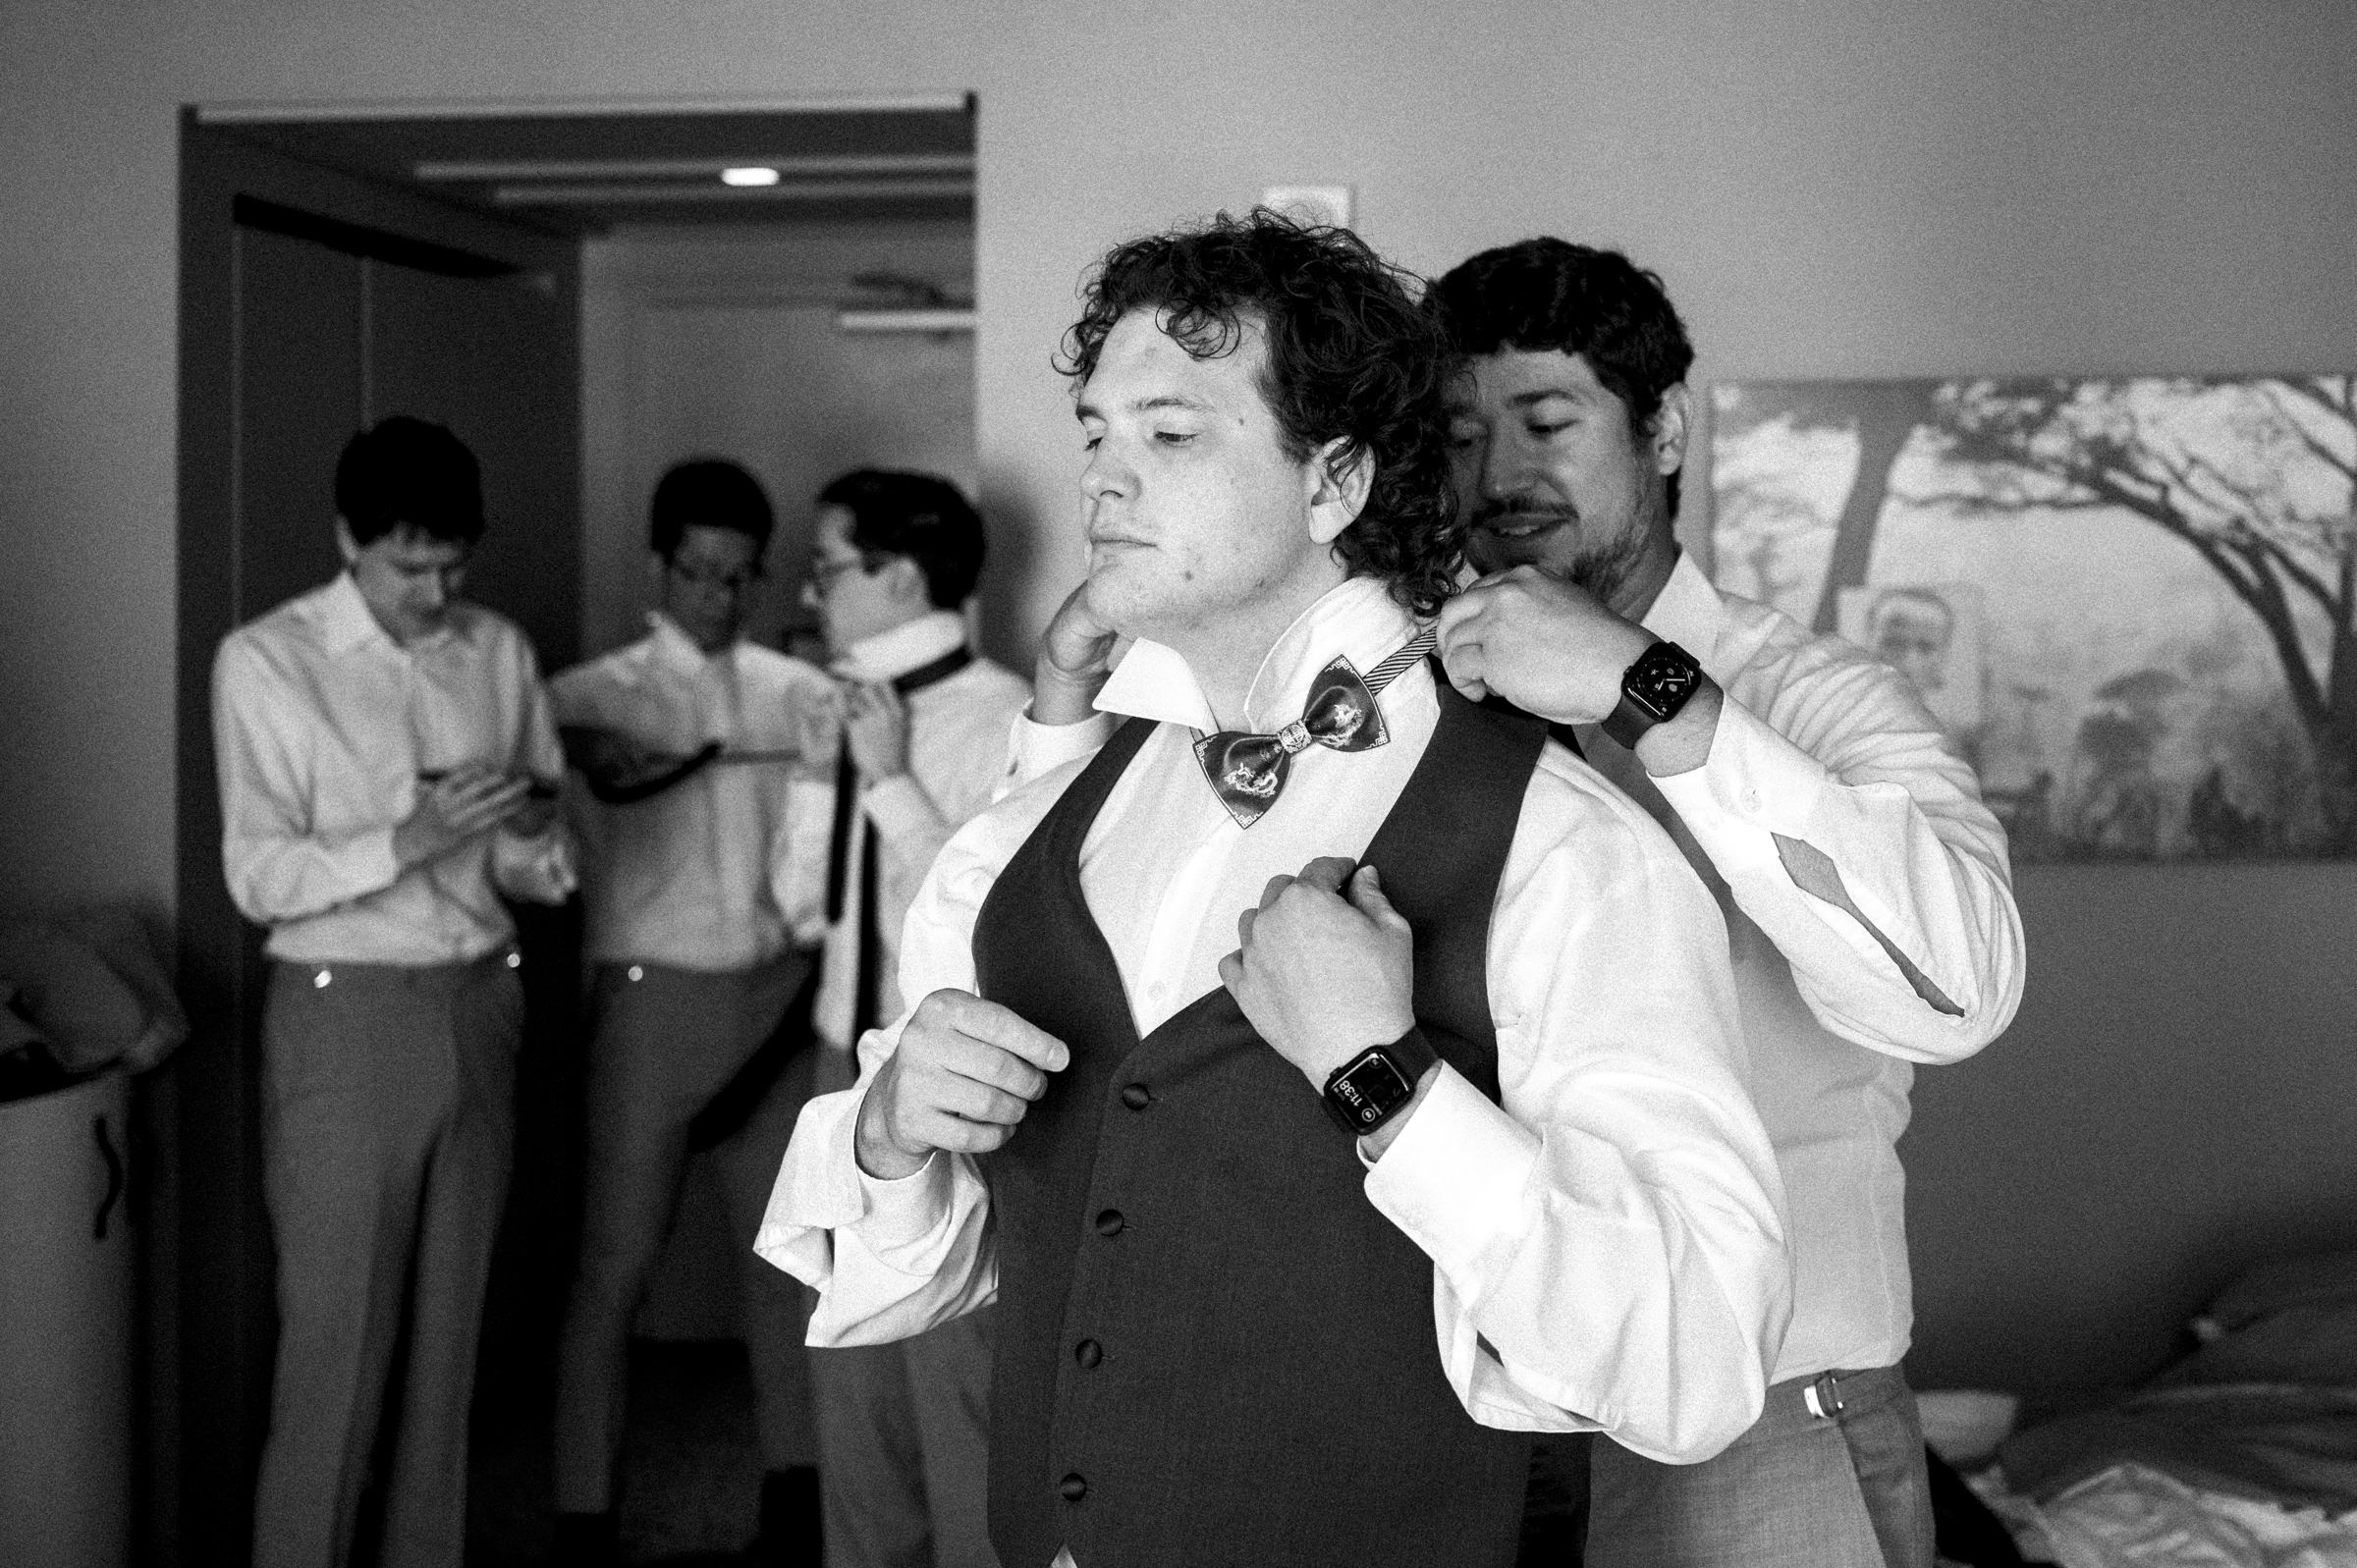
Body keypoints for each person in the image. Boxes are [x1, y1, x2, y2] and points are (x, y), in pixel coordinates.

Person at [755, 211, 1790, 1568]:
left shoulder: (1559, 844)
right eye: (1096, 435)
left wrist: (1390, 1082)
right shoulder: (1031, 830)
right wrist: (890, 1129)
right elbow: (919, 1268)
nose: (1105, 486)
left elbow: (1696, 1357)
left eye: (1170, 434)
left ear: (1336, 481)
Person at [1425, 238, 2028, 1568]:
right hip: (1461, 1417)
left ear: (1666, 427)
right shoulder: (1413, 714)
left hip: (1769, 1418)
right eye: (1464, 433)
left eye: (1546, 421)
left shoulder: (1820, 700)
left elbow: (1965, 986)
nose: (1499, 475)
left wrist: (1653, 696)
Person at [212, 415, 576, 1568]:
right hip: (344, 1012)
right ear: (347, 539)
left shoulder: (498, 650)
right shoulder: (266, 660)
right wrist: (407, 837)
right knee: (336, 1353)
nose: (435, 587)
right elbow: (259, 875)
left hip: (482, 998)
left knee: (450, 1348)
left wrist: (528, 826)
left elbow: (538, 860)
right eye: (408, 564)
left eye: (452, 560)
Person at [545, 459, 839, 1566]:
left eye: (738, 575)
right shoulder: (584, 698)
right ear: (660, 563)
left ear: (763, 575)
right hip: (646, 1007)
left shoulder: (798, 694)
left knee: (789, 1264)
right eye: (698, 571)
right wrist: (576, 752)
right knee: (613, 1263)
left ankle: (795, 1507)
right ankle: (584, 1513)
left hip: (775, 1002)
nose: (717, 594)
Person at [789, 468, 1031, 1568]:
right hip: (839, 1075)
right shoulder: (833, 710)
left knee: (958, 1410)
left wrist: (889, 783)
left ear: (899, 574)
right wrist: (813, 779)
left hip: (947, 1095)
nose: (810, 588)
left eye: (831, 565)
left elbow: (995, 933)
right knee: (852, 1405)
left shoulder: (1015, 721)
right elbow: (799, 910)